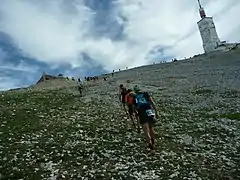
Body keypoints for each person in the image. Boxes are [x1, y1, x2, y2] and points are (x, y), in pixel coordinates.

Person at [132, 85, 159, 154]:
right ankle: (153, 142)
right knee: (151, 127)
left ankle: (151, 147)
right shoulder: (146, 94)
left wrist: (137, 120)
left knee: (146, 131)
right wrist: (156, 112)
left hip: (142, 113)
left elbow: (134, 109)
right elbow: (152, 103)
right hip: (149, 111)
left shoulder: (135, 97)